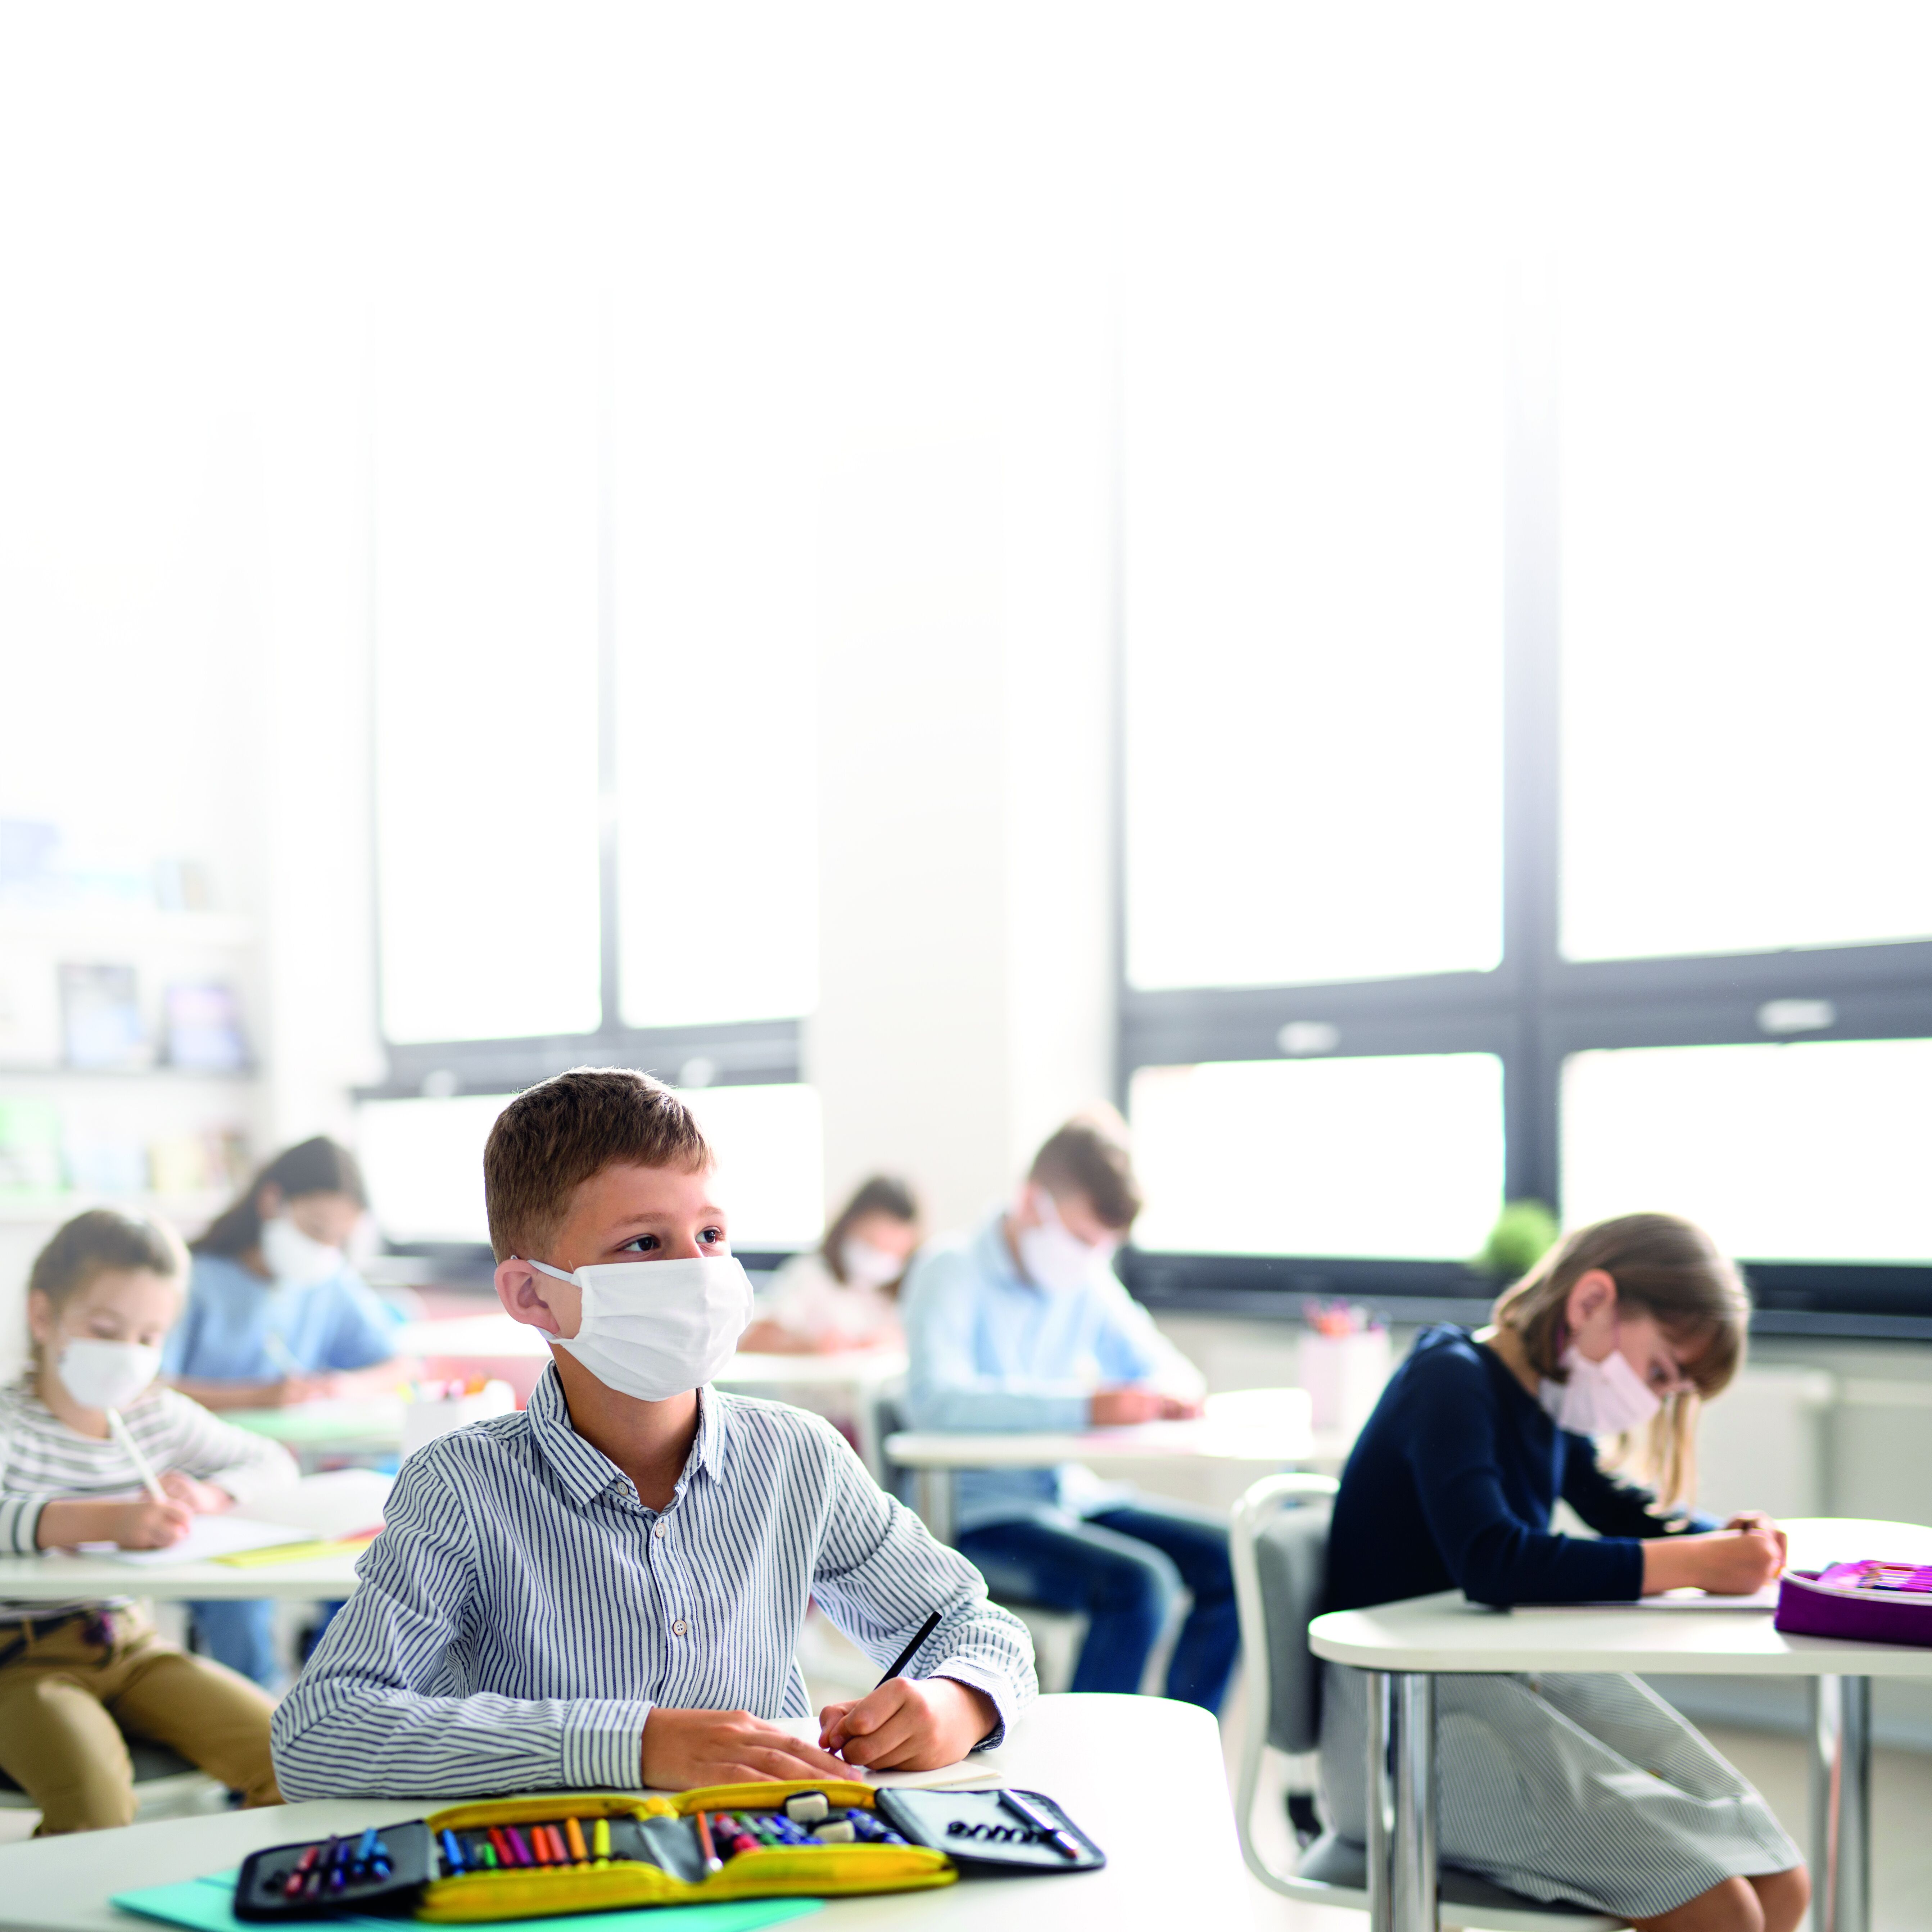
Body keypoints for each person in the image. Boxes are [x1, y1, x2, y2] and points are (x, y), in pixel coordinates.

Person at [271, 1068, 1035, 1800]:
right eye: (643, 1243)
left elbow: (974, 1625)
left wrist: (957, 1699)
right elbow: (318, 1730)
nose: (696, 1271)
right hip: (563, 1876)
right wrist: (632, 1744)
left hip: (768, 1858)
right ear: (533, 1293)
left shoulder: (798, 1458)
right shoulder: (462, 1485)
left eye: (710, 1233)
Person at [1318, 1213, 1808, 1932]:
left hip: (1498, 1680)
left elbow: (1625, 1510)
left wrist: (1723, 1541)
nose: (1650, 1401)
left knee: (1779, 1883)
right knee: (1722, 1910)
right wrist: (1696, 1563)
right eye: (1658, 1372)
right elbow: (1491, 1558)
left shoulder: (1543, 1402)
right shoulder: (1447, 1379)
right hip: (1406, 1718)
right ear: (1588, 1303)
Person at [899, 1108, 1239, 1713]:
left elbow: (1168, 1366)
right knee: (1141, 1586)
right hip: (979, 1519)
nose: (1091, 1256)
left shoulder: (1084, 1279)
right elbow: (934, 1400)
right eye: (1083, 1239)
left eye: (1104, 1245)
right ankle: (1082, 1770)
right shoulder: (950, 1269)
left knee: (1233, 1555)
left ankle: (1175, 1745)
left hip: (1068, 1496)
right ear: (1033, 1201)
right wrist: (1085, 1404)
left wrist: (1166, 1392)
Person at [0, 1209, 293, 1833]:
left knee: (296, 1758)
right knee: (97, 1803)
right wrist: (107, 1519)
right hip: (19, 1664)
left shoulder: (157, 1416)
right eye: (105, 1328)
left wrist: (211, 1494)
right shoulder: (11, 1428)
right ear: (44, 1316)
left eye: (149, 1336)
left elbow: (269, 1461)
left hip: (133, 1647)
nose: (128, 1354)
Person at [166, 1136, 403, 1688]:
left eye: (340, 1238)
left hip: (305, 1476)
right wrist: (257, 1395)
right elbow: (151, 1387)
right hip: (215, 1481)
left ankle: (338, 1692)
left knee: (382, 1551)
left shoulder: (327, 1282)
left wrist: (340, 1385)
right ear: (272, 1202)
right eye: (317, 1229)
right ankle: (255, 1728)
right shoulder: (194, 1278)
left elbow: (397, 1364)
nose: (326, 1247)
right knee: (240, 1603)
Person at [739, 1174, 920, 1354]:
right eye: (873, 1243)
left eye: (894, 1253)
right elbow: (753, 1341)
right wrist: (812, 1347)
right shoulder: (810, 1274)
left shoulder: (902, 1294)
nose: (881, 1259)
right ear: (850, 1224)